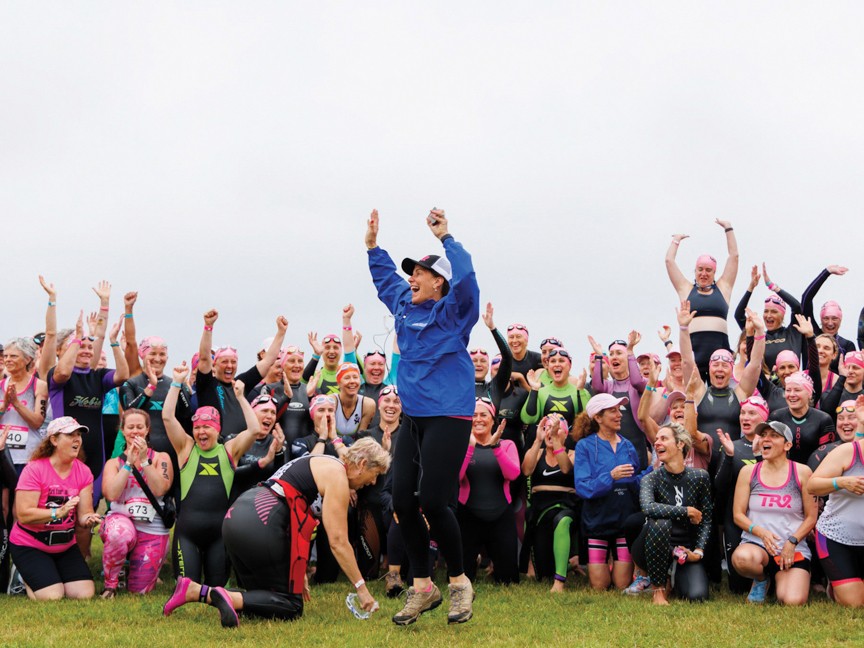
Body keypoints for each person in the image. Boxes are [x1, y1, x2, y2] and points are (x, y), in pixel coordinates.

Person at [366, 207, 479, 625]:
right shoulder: (403, 303)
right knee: (401, 501)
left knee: (433, 499)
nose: (410, 277)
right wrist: (373, 245)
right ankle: (421, 587)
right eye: (410, 272)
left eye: (419, 273)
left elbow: (467, 281)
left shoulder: (454, 312)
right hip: (414, 416)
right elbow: (384, 279)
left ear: (439, 283)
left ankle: (460, 583)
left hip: (450, 415)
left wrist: (447, 238)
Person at [163, 438, 390, 626]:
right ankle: (209, 593)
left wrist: (297, 571)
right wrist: (362, 589)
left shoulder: (322, 461)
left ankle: (195, 590)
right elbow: (338, 542)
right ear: (361, 463)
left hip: (238, 515)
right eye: (375, 474)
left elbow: (293, 514)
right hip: (261, 520)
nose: (372, 482)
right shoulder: (337, 475)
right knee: (290, 605)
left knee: (263, 597)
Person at [163, 364, 259, 587]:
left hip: (219, 535)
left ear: (218, 430)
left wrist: (241, 398)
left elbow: (254, 430)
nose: (201, 432)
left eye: (207, 427)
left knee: (217, 588)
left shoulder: (229, 451)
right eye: (197, 428)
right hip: (187, 532)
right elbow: (168, 418)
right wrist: (176, 383)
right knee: (187, 585)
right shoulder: (185, 448)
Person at [9, 417, 101, 600]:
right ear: (54, 440)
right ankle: (20, 576)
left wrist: (90, 519)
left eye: (79, 435)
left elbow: (83, 515)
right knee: (52, 596)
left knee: (84, 594)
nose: (77, 439)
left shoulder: (83, 471)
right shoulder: (34, 470)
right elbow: (23, 514)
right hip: (30, 544)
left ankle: (49, 572)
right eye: (70, 435)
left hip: (64, 545)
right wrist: (56, 513)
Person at [731, 420, 816, 605]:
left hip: (792, 548)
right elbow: (738, 514)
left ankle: (785, 578)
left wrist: (792, 541)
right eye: (763, 435)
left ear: (787, 445)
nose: (765, 439)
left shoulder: (802, 472)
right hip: (757, 546)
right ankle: (762, 579)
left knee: (793, 601)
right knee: (742, 559)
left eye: (774, 436)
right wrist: (760, 531)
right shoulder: (748, 471)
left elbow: (811, 517)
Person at [632, 423, 712, 605]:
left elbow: (706, 518)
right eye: (656, 439)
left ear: (680, 444)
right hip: (649, 544)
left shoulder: (700, 477)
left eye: (664, 438)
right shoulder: (650, 478)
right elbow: (648, 507)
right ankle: (658, 591)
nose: (657, 443)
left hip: (683, 549)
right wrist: (686, 511)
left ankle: (672, 576)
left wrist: (697, 552)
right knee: (661, 522)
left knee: (697, 596)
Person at [573, 394, 644, 592]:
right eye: (612, 411)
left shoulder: (628, 446)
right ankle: (606, 565)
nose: (619, 415)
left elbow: (635, 481)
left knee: (622, 585)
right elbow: (583, 487)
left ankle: (619, 566)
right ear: (598, 417)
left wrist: (651, 471)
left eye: (618, 410)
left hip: (624, 518)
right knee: (599, 586)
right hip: (597, 521)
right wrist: (610, 476)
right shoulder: (585, 446)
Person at [100, 409, 173, 597]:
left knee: (139, 591)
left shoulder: (161, 458)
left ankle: (135, 570)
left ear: (147, 430)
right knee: (119, 534)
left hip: (152, 527)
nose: (135, 431)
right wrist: (128, 464)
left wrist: (144, 461)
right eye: (130, 427)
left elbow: (159, 489)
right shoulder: (114, 463)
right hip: (121, 521)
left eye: (139, 427)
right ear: (123, 431)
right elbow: (111, 494)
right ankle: (111, 584)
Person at [195, 310, 286, 439]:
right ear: (214, 365)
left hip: (239, 450)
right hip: (216, 448)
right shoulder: (207, 384)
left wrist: (281, 333)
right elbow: (204, 358)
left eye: (233, 362)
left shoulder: (240, 384)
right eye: (224, 362)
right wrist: (208, 327)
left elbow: (267, 362)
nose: (229, 366)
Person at [457, 398, 520, 584]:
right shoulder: (461, 445)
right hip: (468, 515)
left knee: (508, 580)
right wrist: (469, 448)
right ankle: (474, 561)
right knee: (462, 579)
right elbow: (456, 478)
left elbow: (513, 474)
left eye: (483, 415)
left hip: (500, 514)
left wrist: (496, 447)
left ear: (493, 420)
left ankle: (493, 563)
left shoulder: (507, 445)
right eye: (474, 415)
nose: (478, 419)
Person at [664, 220, 738, 376]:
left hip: (719, 362)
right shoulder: (686, 289)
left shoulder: (723, 288)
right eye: (700, 269)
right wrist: (676, 240)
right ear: (695, 271)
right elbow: (669, 262)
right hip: (693, 360)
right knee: (693, 400)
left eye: (708, 270)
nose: (704, 273)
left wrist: (728, 229)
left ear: (714, 273)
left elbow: (734, 256)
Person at [713, 395, 770, 594]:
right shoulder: (732, 445)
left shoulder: (773, 445)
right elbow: (719, 485)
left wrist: (760, 456)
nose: (745, 417)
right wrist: (729, 457)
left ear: (763, 419)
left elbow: (773, 481)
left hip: (766, 516)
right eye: (743, 413)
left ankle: (766, 580)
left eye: (752, 413)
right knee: (738, 587)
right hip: (735, 517)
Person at [520, 414, 578, 592]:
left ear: (565, 433)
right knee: (543, 573)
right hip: (539, 508)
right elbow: (526, 470)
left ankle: (559, 582)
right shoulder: (538, 453)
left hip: (564, 505)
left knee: (561, 520)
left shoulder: (572, 454)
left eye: (557, 428)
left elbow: (566, 469)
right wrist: (537, 440)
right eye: (547, 429)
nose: (551, 432)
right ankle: (563, 565)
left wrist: (557, 442)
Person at [589, 332, 649, 468]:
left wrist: (630, 351)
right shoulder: (608, 386)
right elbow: (597, 386)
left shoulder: (640, 384)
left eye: (619, 353)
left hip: (637, 447)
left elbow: (636, 381)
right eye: (611, 354)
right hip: (612, 449)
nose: (614, 356)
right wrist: (599, 356)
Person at [734, 263, 805, 371]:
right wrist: (751, 287)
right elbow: (738, 315)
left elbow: (797, 306)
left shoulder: (793, 333)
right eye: (766, 311)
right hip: (768, 386)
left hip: (792, 385)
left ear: (782, 315)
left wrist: (772, 286)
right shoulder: (759, 337)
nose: (768, 315)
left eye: (774, 312)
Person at [0, 338, 48, 472]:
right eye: (6, 356)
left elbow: (37, 422)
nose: (7, 359)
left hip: (27, 455)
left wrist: (16, 403)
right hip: (2, 452)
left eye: (13, 356)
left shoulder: (39, 386)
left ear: (27, 359)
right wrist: (4, 407)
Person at [226, 392, 286, 497]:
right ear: (252, 414)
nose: (269, 416)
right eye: (264, 411)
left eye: (273, 412)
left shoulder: (279, 442)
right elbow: (227, 474)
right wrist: (262, 463)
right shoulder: (234, 439)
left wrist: (279, 453)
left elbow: (282, 482)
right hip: (237, 502)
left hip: (264, 504)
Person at [768, 371, 835, 464]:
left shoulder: (823, 420)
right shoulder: (776, 416)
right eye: (788, 390)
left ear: (809, 394)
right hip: (782, 474)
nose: (791, 394)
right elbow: (769, 450)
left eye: (797, 390)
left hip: (813, 473)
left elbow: (828, 457)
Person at [801, 265, 855, 372]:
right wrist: (827, 272)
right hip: (810, 387)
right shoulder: (811, 334)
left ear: (840, 320)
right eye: (826, 318)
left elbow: (851, 373)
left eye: (834, 318)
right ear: (820, 319)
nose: (830, 323)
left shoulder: (847, 345)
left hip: (836, 387)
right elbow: (806, 298)